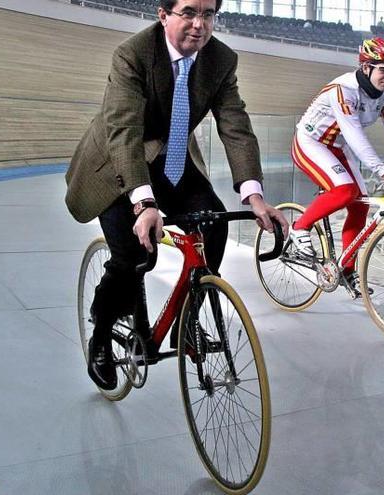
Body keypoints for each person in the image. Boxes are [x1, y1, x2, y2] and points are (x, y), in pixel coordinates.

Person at [65, 0, 288, 390]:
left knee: (214, 226)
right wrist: (145, 203)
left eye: (208, 14)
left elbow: (235, 126)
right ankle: (101, 331)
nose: (199, 24)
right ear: (163, 14)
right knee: (135, 255)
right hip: (120, 163)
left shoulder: (220, 60)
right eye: (188, 12)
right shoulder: (132, 55)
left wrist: (254, 196)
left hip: (172, 162)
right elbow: (124, 131)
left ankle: (187, 321)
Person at [288, 36, 384, 297]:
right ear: (366, 68)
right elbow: (354, 134)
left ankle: (347, 271)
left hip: (337, 147)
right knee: (345, 192)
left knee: (360, 208)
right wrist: (383, 171)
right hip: (311, 142)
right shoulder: (344, 89)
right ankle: (299, 227)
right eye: (383, 69)